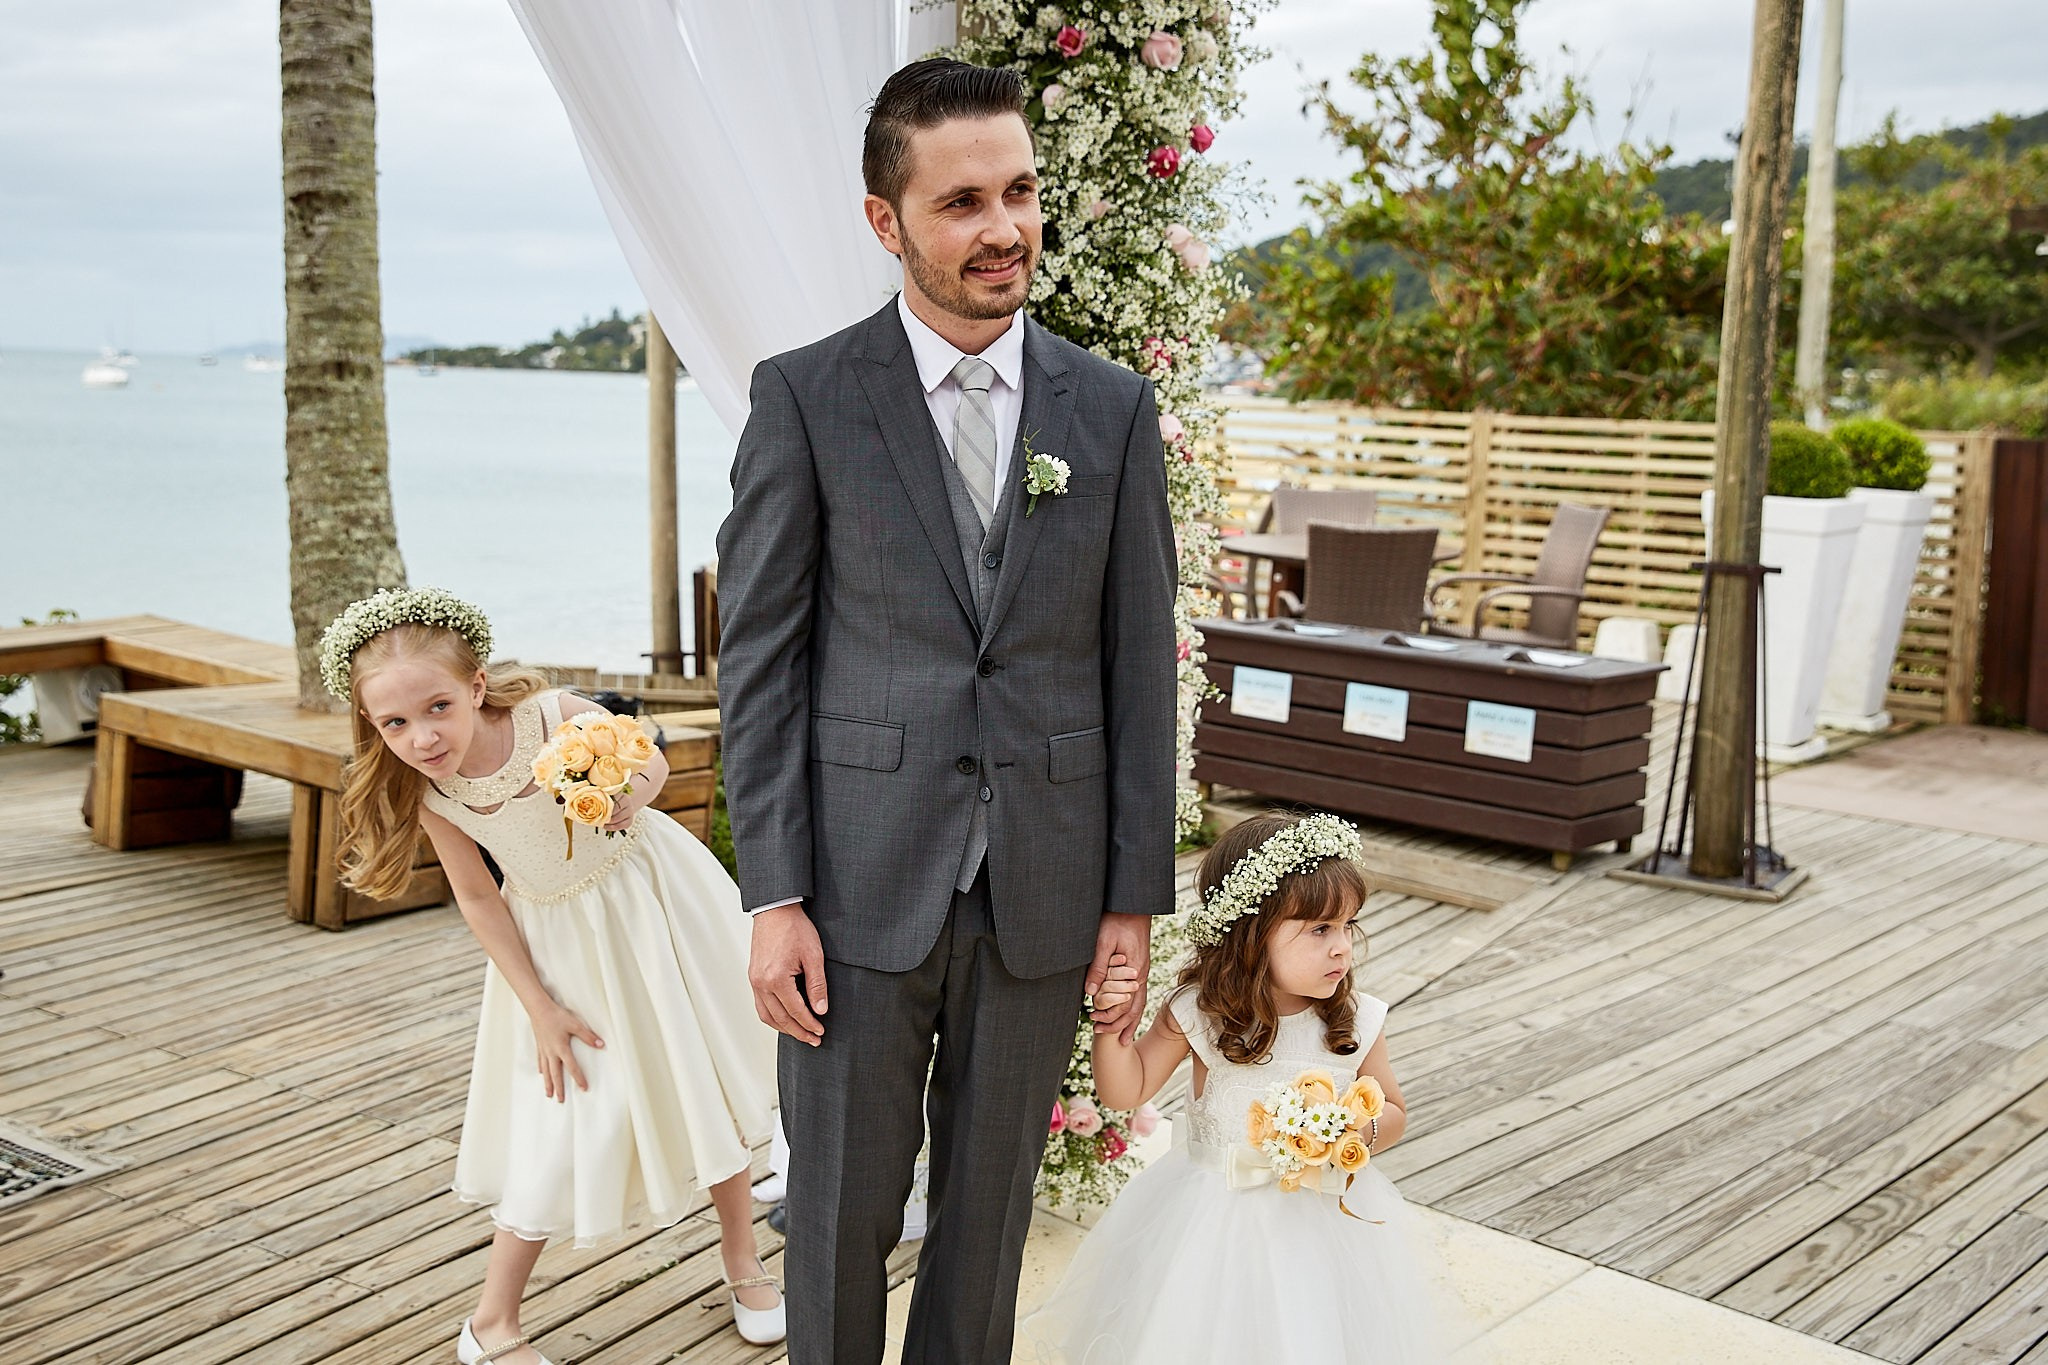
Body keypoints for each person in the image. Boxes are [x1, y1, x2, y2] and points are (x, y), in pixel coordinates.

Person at [714, 56, 1178, 1365]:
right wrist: (774, 894)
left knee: (988, 1229)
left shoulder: (1111, 409)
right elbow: (761, 661)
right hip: (854, 889)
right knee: (843, 1209)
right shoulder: (805, 396)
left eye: (1020, 192)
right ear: (888, 222)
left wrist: (1132, 905)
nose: (1005, 228)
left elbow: (1140, 669)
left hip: (1042, 886)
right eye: (964, 201)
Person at [320, 588, 784, 1365]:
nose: (422, 737)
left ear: (473, 686)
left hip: (654, 906)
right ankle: (491, 1322)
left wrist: (623, 800)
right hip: (561, 949)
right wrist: (537, 1004)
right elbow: (476, 896)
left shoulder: (548, 712)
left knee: (700, 1077)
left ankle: (743, 1261)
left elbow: (652, 759)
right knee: (566, 1118)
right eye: (394, 723)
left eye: (437, 707)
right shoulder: (431, 791)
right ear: (371, 722)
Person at [1020, 812, 1447, 1362]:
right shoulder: (1204, 1014)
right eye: (1320, 930)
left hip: (1325, 1229)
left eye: (1347, 926)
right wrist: (1110, 1024)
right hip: (1213, 1221)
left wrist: (1350, 1130)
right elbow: (1126, 1091)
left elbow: (1394, 1111)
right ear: (1251, 933)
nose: (1342, 947)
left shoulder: (1358, 1019)